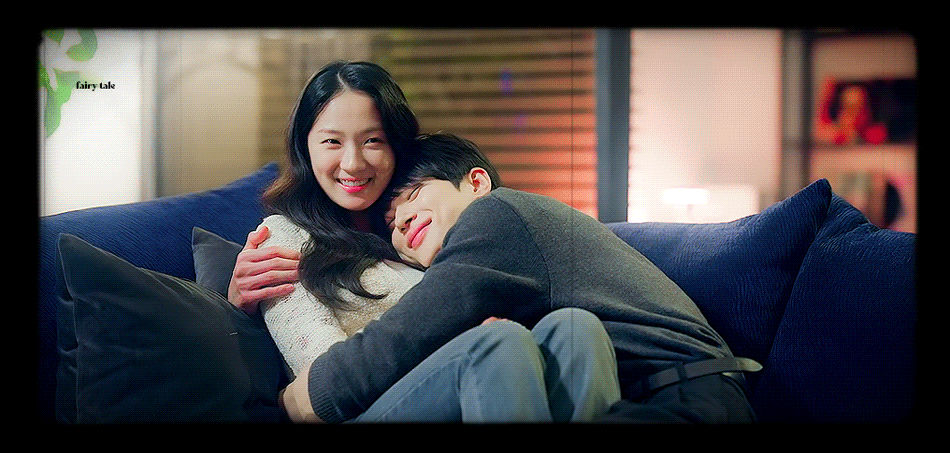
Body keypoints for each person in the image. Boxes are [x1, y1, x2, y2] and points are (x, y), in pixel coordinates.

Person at [229, 62, 619, 422]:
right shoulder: (282, 236)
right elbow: (321, 373)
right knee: (496, 343)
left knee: (575, 329)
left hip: (477, 381)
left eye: (372, 140)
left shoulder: (409, 227)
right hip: (359, 407)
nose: (353, 163)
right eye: (332, 142)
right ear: (305, 148)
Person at [281, 133, 760, 424]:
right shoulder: (509, 255)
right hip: (682, 391)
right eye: (391, 223)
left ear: (476, 183)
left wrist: (299, 398)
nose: (402, 220)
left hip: (682, 398)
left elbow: (404, 335)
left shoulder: (497, 216)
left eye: (415, 194)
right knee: (570, 327)